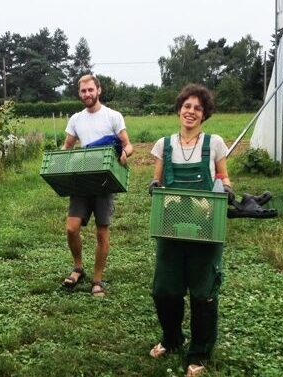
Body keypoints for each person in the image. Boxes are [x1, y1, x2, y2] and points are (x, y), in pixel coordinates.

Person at [148, 84, 234, 377]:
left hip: (206, 226)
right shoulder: (164, 144)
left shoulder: (215, 143)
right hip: (170, 225)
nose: (191, 111)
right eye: (187, 105)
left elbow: (223, 176)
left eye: (198, 107)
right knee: (164, 290)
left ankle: (199, 352)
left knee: (203, 292)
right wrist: (154, 187)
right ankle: (172, 339)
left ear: (204, 113)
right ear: (179, 109)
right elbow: (157, 180)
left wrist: (228, 190)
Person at [61, 74, 133, 297]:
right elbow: (67, 146)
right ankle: (78, 267)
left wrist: (125, 154)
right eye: (83, 91)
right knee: (71, 228)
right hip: (82, 181)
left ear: (98, 90)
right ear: (79, 93)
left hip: (104, 182)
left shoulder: (113, 116)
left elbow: (127, 145)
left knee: (102, 233)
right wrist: (61, 159)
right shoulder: (75, 119)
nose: (87, 94)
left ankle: (98, 280)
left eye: (90, 90)